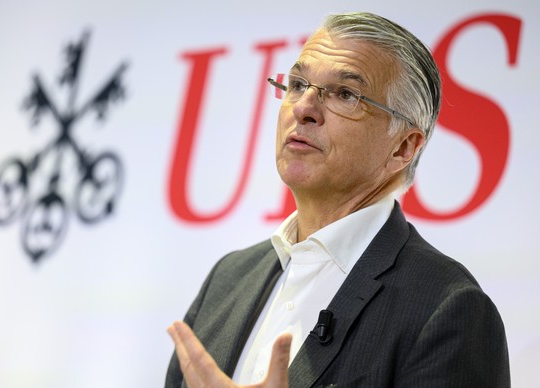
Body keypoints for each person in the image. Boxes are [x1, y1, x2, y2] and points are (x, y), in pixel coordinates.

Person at [166, 11, 510, 388]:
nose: (303, 108)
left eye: (345, 94)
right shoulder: (228, 279)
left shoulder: (447, 309)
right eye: (297, 84)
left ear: (403, 146)